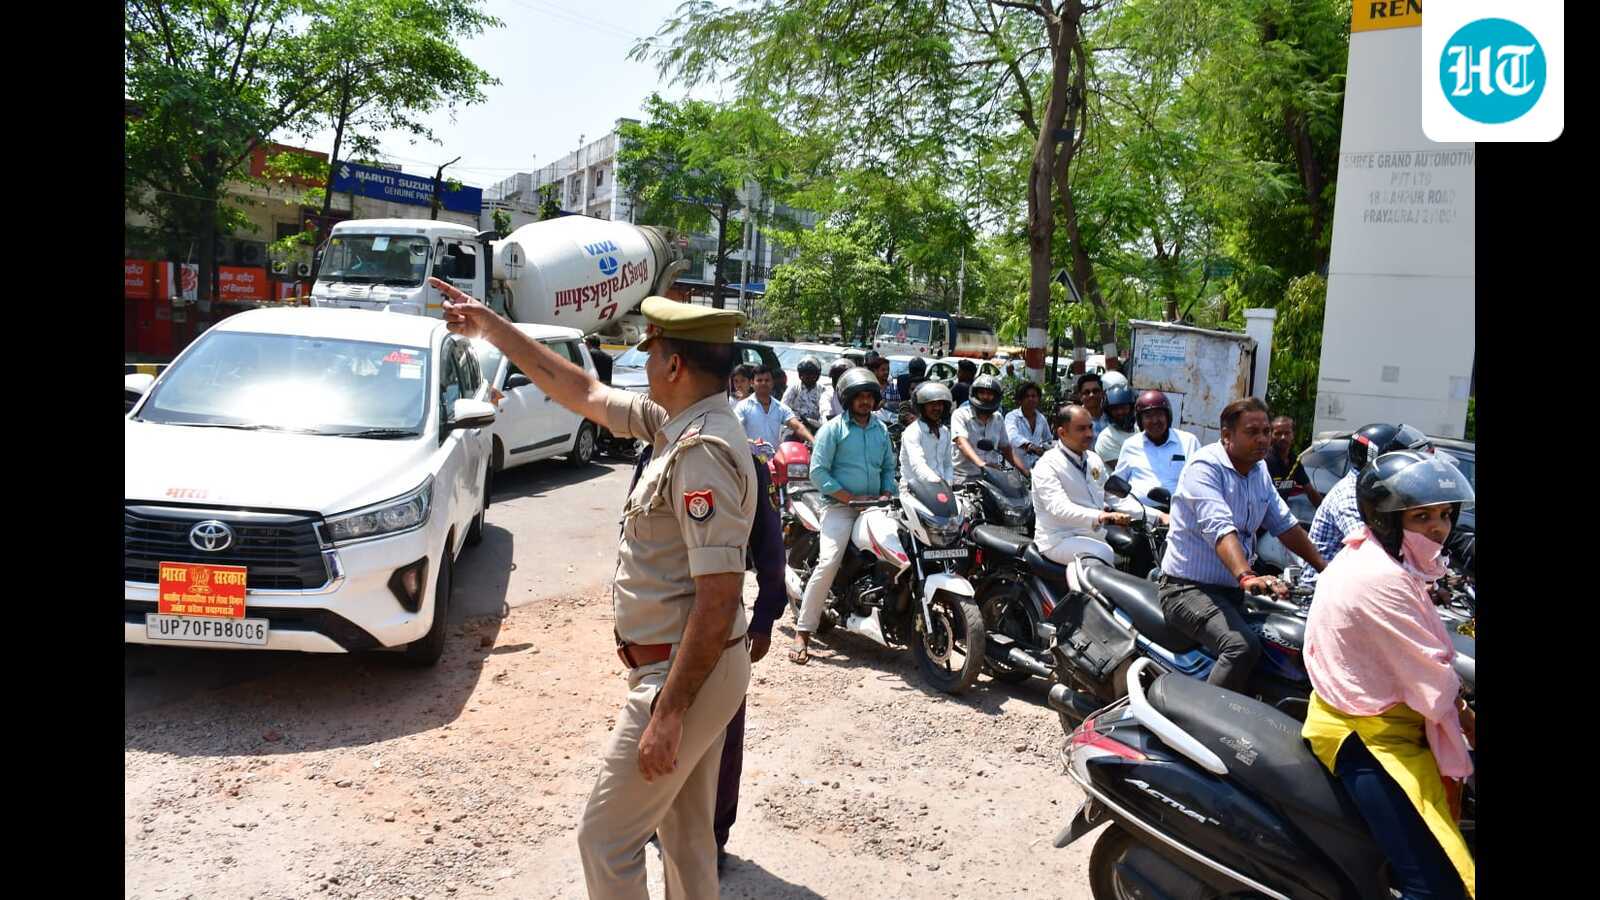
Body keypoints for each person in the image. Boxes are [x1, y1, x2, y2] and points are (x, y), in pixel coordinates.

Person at [433, 279, 752, 898]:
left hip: (683, 672)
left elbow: (717, 601)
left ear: (675, 364)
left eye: (651, 349)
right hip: (693, 666)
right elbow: (582, 390)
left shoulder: (703, 448)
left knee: (605, 841)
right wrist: (494, 327)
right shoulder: (681, 420)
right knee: (686, 838)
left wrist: (668, 712)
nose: (643, 360)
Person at [1301, 450, 1476, 899]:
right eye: (1422, 516)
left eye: (1444, 514)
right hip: (1371, 738)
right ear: (1386, 518)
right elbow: (1436, 687)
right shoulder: (1380, 576)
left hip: (1378, 719)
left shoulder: (1382, 559)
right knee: (1438, 886)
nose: (1439, 526)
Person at [1158, 397, 1328, 692]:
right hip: (1186, 589)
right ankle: (1200, 725)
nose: (1263, 439)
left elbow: (1285, 525)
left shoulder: (1259, 470)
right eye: (1253, 432)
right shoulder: (1206, 467)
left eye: (1265, 431)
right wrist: (1246, 575)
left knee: (1287, 634)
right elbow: (1220, 528)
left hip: (1230, 592)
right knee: (1241, 648)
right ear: (1227, 435)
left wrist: (1328, 570)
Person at [794, 367, 897, 665]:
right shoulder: (833, 429)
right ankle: (804, 631)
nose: (865, 401)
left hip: (876, 507)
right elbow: (818, 471)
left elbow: (889, 467)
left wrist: (888, 491)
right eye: (860, 397)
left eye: (869, 396)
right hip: (840, 508)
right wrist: (847, 497)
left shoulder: (880, 430)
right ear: (849, 399)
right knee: (828, 561)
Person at [1299, 423, 1433, 591]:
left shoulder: (1376, 491)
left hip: (1355, 584)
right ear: (1379, 459)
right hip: (1324, 591)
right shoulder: (1351, 494)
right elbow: (1371, 551)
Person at [1033, 403, 1147, 565]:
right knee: (1103, 553)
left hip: (1092, 535)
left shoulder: (1093, 459)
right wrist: (1100, 516)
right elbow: (1059, 507)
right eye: (1081, 429)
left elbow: (1114, 497)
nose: (1089, 434)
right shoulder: (1047, 465)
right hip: (1058, 539)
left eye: (1090, 428)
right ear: (1062, 433)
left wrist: (1157, 517)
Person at [1113, 389, 1199, 509]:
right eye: (1148, 416)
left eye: (1159, 415)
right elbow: (1118, 483)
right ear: (1140, 421)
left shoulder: (1188, 441)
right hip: (1141, 516)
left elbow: (1198, 481)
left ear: (1167, 417)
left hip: (1178, 513)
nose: (1154, 421)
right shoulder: (1130, 445)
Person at [951, 374, 1028, 483]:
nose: (985, 397)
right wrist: (981, 464)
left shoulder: (998, 418)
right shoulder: (960, 415)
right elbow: (961, 442)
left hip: (992, 477)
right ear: (975, 394)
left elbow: (1006, 449)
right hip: (964, 478)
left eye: (989, 394)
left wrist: (1026, 473)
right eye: (982, 393)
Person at [735, 365, 814, 449]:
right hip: (750, 458)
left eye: (767, 380)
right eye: (759, 380)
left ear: (772, 383)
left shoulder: (780, 408)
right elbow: (735, 429)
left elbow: (798, 427)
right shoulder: (742, 406)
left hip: (774, 459)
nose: (763, 383)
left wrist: (814, 442)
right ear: (752, 383)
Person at [899, 381, 955, 489]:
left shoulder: (944, 432)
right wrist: (938, 483)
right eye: (931, 404)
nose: (937, 408)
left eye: (940, 404)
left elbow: (948, 465)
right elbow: (918, 465)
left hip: (942, 490)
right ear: (921, 407)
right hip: (915, 492)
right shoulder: (913, 432)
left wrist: (948, 484)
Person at [1267, 415, 1323, 507]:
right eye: (1278, 433)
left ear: (1293, 435)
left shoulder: (1294, 462)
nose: (1283, 437)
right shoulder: (1265, 462)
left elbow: (1310, 491)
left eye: (1287, 433)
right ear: (1271, 435)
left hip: (1279, 515)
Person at [1003, 381, 1052, 471]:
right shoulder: (1012, 416)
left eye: (1033, 396)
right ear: (1020, 400)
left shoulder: (1041, 418)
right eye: (1026, 396)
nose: (1030, 399)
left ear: (1038, 399)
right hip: (1015, 469)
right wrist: (1030, 446)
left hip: (1036, 469)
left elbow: (1048, 439)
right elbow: (1012, 436)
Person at [1093, 381, 1138, 467]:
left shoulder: (1139, 429)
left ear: (1132, 408)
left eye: (1123, 407)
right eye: (1115, 409)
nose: (1120, 412)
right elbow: (1124, 471)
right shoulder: (1106, 438)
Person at [780, 356, 828, 434]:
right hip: (794, 427)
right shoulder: (794, 388)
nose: (808, 377)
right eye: (805, 374)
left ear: (817, 375)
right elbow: (783, 406)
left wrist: (824, 424)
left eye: (811, 374)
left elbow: (825, 410)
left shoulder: (822, 390)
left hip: (816, 428)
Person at [1073, 372, 1108, 437]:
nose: (1091, 395)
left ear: (1102, 393)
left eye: (1095, 391)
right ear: (1080, 396)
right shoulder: (1073, 421)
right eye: (1086, 392)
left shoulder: (1111, 418)